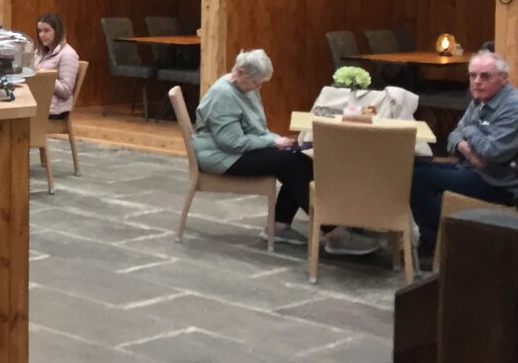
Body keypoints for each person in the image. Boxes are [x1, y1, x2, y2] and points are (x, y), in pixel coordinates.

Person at [193, 49, 377, 254]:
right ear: (240, 72)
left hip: (238, 149)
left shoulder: (245, 86)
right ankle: (334, 233)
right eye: (255, 82)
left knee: (298, 158)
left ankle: (281, 226)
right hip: (221, 157)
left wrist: (277, 141)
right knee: (291, 163)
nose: (258, 87)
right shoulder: (223, 95)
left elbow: (257, 129)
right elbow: (231, 142)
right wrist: (272, 141)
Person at [409, 50, 518, 260]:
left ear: (503, 78)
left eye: (485, 76)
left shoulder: (512, 106)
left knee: (420, 178)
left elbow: (491, 152)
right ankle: (440, 236)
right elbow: (453, 137)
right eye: (472, 75)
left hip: (498, 184)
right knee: (412, 166)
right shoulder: (482, 98)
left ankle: (437, 244)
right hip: (474, 167)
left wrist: (470, 131)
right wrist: (467, 148)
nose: (477, 81)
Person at [33, 12, 80, 119]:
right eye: (39, 31)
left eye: (46, 30)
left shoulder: (68, 54)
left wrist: (43, 75)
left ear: (57, 31)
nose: (42, 35)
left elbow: (65, 91)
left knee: (15, 118)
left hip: (55, 111)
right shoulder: (39, 53)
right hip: (39, 104)